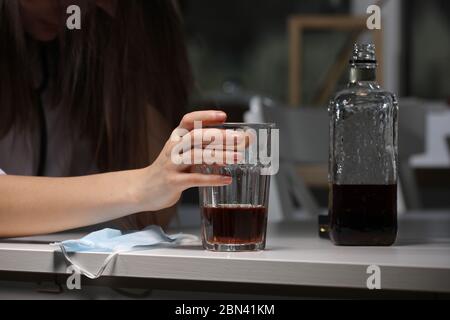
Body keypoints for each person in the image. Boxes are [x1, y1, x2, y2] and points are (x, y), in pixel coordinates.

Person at [0, 0, 233, 238]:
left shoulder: (75, 57)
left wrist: (122, 38)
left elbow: (152, 214)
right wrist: (143, 186)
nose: (77, 8)